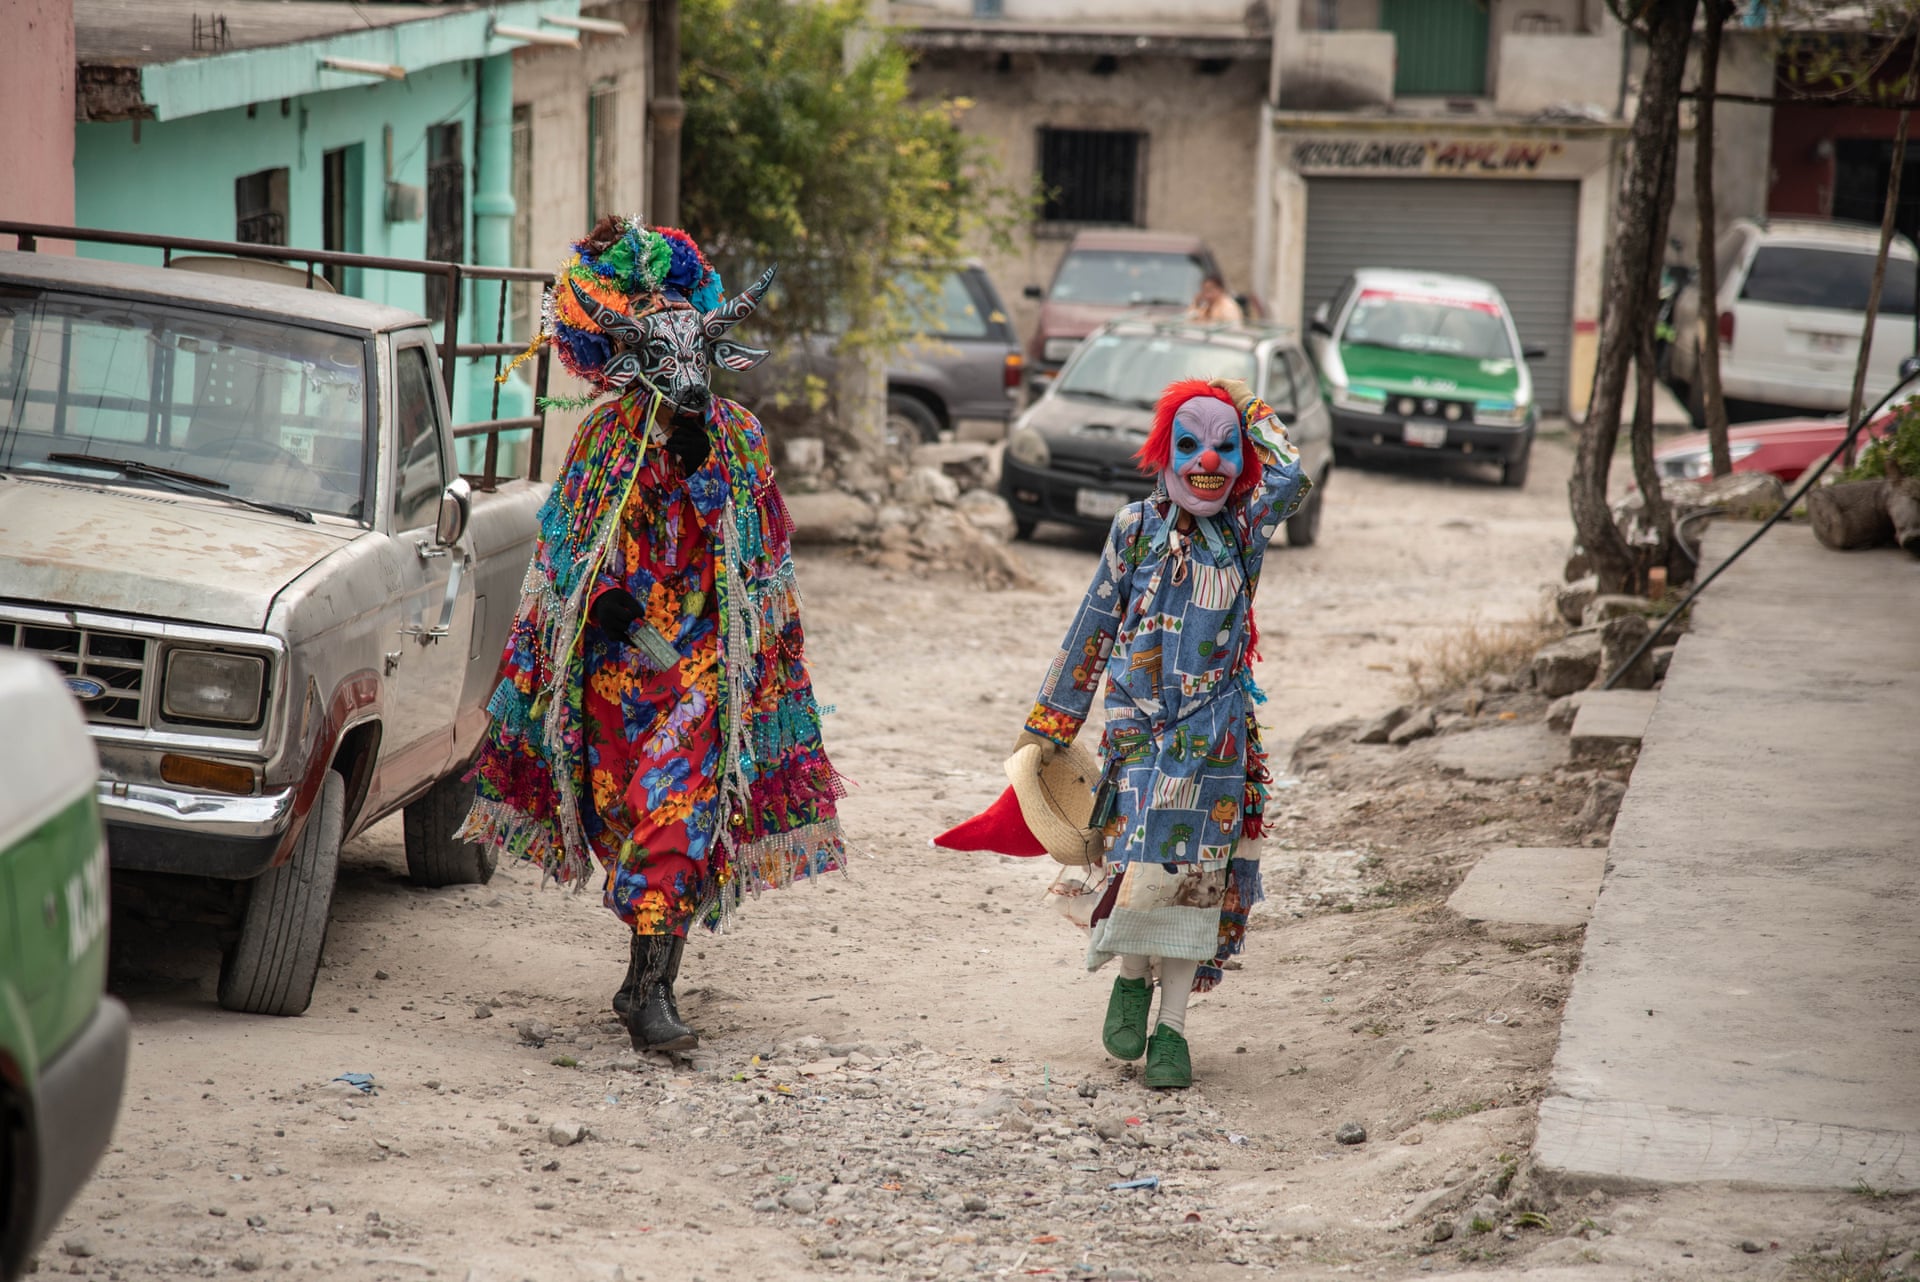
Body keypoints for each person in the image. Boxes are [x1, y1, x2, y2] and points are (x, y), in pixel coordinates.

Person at [459, 216, 844, 1054]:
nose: (682, 374)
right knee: (629, 814)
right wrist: (605, 607)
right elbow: (566, 551)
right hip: (615, 678)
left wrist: (703, 463)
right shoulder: (603, 439)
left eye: (693, 354)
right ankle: (644, 979)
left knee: (682, 809)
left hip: (704, 669)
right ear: (633, 359)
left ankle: (649, 993)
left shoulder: (737, 440)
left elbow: (760, 559)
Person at [1015, 376, 1306, 1089]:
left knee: (1197, 885)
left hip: (1216, 741)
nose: (1207, 460)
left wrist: (1248, 406)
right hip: (1138, 737)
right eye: (1190, 443)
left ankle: (1173, 1030)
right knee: (1140, 870)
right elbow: (1093, 626)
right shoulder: (1134, 529)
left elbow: (1294, 474)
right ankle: (1131, 982)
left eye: (1225, 445)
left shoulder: (1244, 530)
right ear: (1162, 452)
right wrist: (1051, 726)